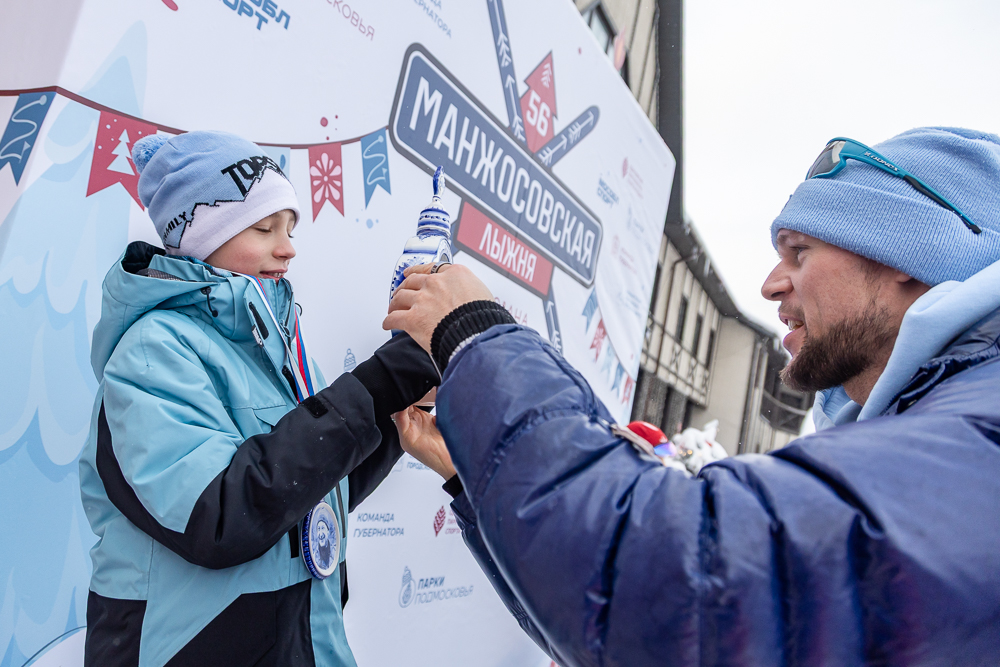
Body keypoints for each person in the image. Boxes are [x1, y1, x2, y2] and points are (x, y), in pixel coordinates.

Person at [386, 127, 1000, 665]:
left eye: (801, 251)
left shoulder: (980, 443)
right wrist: (479, 473)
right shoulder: (944, 430)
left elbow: (676, 596)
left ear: (907, 255)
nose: (769, 284)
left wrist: (476, 336)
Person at [79, 131, 438, 666]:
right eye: (265, 227)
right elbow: (221, 515)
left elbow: (311, 489)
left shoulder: (280, 349)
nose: (288, 247)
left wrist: (399, 410)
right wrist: (379, 382)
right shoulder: (152, 351)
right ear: (200, 237)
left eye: (290, 228)